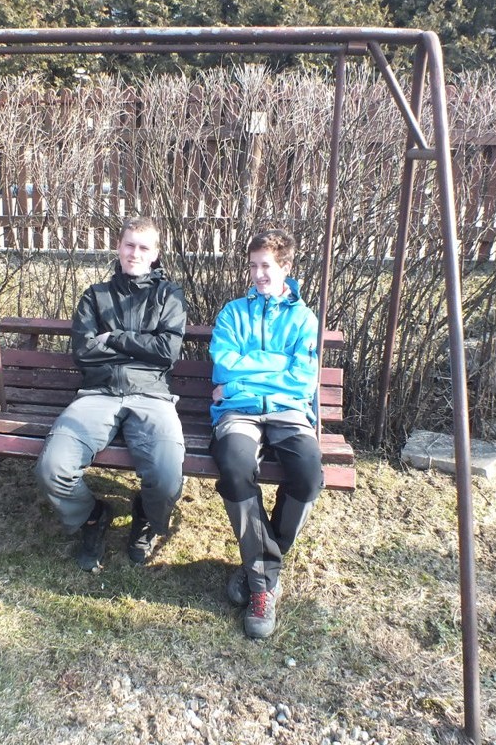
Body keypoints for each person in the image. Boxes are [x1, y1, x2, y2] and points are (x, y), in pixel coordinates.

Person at [35, 217, 187, 571]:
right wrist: (141, 346)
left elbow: (167, 351)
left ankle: (145, 515)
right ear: (118, 247)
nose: (135, 253)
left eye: (144, 247)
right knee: (52, 469)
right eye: (129, 245)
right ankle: (93, 516)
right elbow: (84, 351)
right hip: (98, 393)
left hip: (151, 395)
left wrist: (115, 338)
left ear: (155, 254)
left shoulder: (169, 295)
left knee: (167, 479)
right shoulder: (95, 296)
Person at [209, 229, 324, 639]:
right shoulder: (232, 313)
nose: (259, 274)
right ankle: (263, 584)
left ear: (286, 267)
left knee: (308, 475)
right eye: (253, 265)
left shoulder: (303, 319)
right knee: (235, 466)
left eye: (267, 266)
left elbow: (302, 380)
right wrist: (273, 366)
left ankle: (259, 564)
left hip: (288, 412)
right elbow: (223, 365)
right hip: (238, 410)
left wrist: (248, 370)